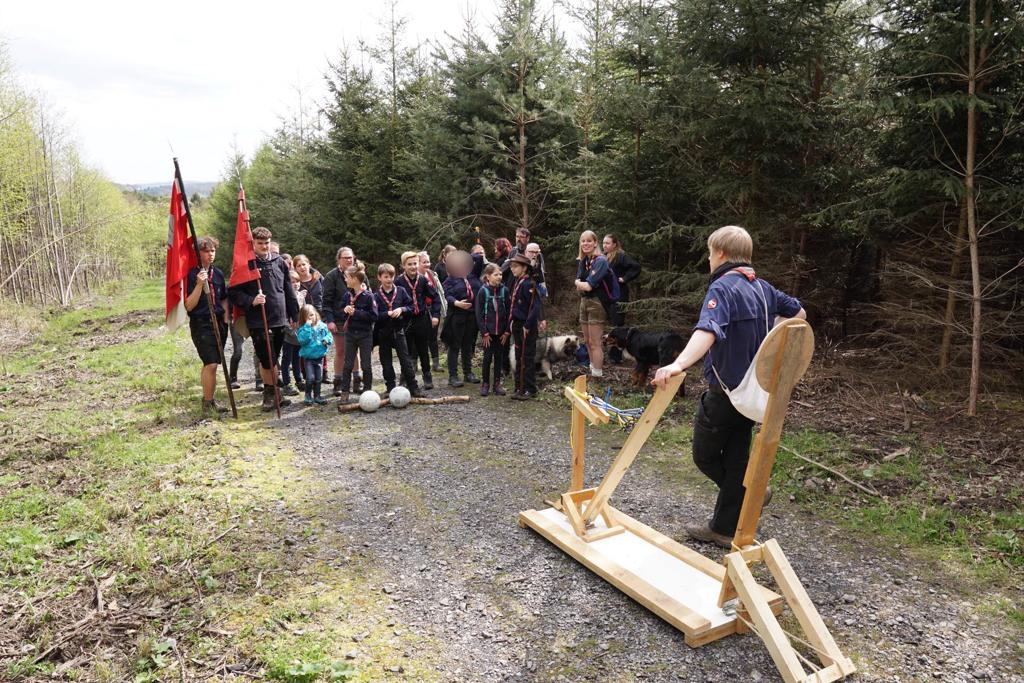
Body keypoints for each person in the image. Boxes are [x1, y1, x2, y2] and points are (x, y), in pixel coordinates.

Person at [652, 225, 806, 548]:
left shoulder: (722, 288)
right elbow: (799, 314)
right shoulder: (763, 289)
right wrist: (770, 333)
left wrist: (678, 364)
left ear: (720, 254)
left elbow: (708, 330)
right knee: (737, 457)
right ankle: (723, 528)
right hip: (753, 396)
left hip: (724, 394)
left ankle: (750, 494)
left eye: (709, 253)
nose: (709, 259)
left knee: (704, 456)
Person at [228, 226, 299, 412]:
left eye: (267, 243)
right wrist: (251, 300)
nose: (264, 247)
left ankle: (276, 393)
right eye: (260, 243)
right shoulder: (246, 265)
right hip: (259, 320)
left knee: (274, 358)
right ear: (253, 244)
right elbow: (234, 293)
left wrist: (294, 315)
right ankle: (270, 395)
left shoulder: (280, 262)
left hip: (279, 318)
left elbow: (288, 290)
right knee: (266, 359)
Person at [185, 236, 229, 414]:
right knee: (210, 363)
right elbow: (189, 305)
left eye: (213, 251)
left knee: (214, 364)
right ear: (198, 253)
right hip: (201, 323)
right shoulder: (190, 274)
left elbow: (224, 298)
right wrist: (199, 284)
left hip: (219, 322)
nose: (210, 254)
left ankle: (210, 400)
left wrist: (225, 319)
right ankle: (207, 402)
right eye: (206, 251)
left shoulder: (217, 273)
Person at [374, 263, 423, 398]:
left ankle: (414, 387)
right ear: (379, 278)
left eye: (391, 276)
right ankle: (390, 388)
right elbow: (374, 315)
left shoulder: (401, 291)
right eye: (386, 277)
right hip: (383, 333)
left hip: (399, 331)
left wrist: (401, 309)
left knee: (406, 360)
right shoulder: (376, 295)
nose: (389, 280)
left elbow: (411, 307)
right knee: (386, 362)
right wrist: (386, 314)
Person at [396, 251, 440, 390]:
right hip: (406, 320)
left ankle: (427, 376)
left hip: (421, 318)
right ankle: (405, 377)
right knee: (406, 351)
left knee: (422, 348)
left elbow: (435, 297)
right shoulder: (398, 281)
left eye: (415, 264)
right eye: (409, 264)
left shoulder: (423, 280)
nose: (413, 267)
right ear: (404, 265)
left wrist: (435, 315)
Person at [574, 230, 615, 378]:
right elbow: (579, 283)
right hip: (584, 302)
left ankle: (598, 375)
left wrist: (579, 283)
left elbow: (588, 286)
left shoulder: (601, 261)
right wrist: (580, 283)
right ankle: (592, 370)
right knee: (587, 341)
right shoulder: (584, 261)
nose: (585, 243)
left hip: (597, 303)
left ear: (595, 243)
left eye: (589, 241)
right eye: (583, 241)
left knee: (595, 342)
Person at [337, 266, 378, 403]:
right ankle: (345, 392)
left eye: (347, 277)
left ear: (354, 279)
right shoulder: (347, 295)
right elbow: (341, 312)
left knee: (366, 365)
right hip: (350, 334)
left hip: (365, 334)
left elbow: (374, 316)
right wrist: (345, 309)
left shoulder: (368, 296)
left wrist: (356, 313)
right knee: (348, 364)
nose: (345, 279)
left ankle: (367, 391)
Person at [508, 254, 546, 399]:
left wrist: (528, 325)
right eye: (511, 266)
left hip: (526, 326)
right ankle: (519, 387)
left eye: (515, 266)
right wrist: (512, 321)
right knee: (519, 356)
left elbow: (535, 307)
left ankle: (530, 388)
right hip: (517, 324)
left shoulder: (529, 284)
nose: (512, 269)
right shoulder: (518, 282)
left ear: (524, 268)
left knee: (527, 357)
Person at [441, 250, 481, 387]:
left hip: (472, 316)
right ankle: (453, 376)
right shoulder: (449, 280)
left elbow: (479, 258)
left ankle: (468, 373)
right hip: (457, 316)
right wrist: (457, 303)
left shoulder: (473, 274)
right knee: (455, 346)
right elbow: (448, 296)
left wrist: (465, 256)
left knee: (468, 345)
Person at [322, 246, 356, 396]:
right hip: (339, 319)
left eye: (351, 257)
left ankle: (357, 381)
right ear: (339, 260)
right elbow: (326, 301)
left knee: (355, 352)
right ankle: (338, 382)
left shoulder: (359, 274)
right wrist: (330, 321)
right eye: (345, 258)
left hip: (357, 319)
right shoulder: (331, 277)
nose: (349, 260)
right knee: (341, 351)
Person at [603, 233, 642, 362]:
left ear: (614, 245)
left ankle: (616, 356)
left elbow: (635, 267)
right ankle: (607, 353)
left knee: (617, 325)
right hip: (608, 295)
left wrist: (625, 278)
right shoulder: (604, 257)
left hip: (619, 295)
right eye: (603, 243)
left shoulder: (621, 256)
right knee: (610, 323)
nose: (605, 245)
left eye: (608, 243)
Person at [475, 263, 510, 396]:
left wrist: (507, 331)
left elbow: (509, 312)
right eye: (496, 274)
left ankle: (497, 384)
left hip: (501, 333)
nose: (499, 277)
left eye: (500, 274)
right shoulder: (483, 291)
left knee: (499, 358)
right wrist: (484, 332)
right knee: (487, 358)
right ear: (488, 276)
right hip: (488, 333)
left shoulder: (504, 291)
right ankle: (485, 384)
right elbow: (478, 314)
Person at [296, 304, 332, 405]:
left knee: (319, 378)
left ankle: (317, 395)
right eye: (307, 316)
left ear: (316, 314)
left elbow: (329, 335)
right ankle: (308, 396)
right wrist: (307, 326)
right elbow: (302, 340)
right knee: (310, 378)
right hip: (308, 358)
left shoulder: (322, 326)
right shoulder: (303, 329)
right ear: (303, 318)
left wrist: (327, 340)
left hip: (320, 357)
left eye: (312, 315)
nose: (310, 318)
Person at [418, 250, 446, 373]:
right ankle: (414, 364)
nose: (427, 264)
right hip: (420, 311)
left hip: (433, 309)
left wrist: (439, 310)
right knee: (418, 338)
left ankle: (436, 364)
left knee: (433, 337)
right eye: (424, 262)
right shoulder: (414, 276)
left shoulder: (432, 274)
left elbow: (438, 293)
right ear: (417, 263)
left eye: (428, 262)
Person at [279, 270, 305, 396]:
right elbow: (284, 317)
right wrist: (290, 331)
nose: (295, 284)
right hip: (289, 336)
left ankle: (299, 380)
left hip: (300, 334)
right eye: (292, 282)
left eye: (297, 281)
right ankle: (286, 382)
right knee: (286, 360)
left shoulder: (302, 296)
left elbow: (304, 315)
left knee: (297, 359)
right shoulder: (284, 298)